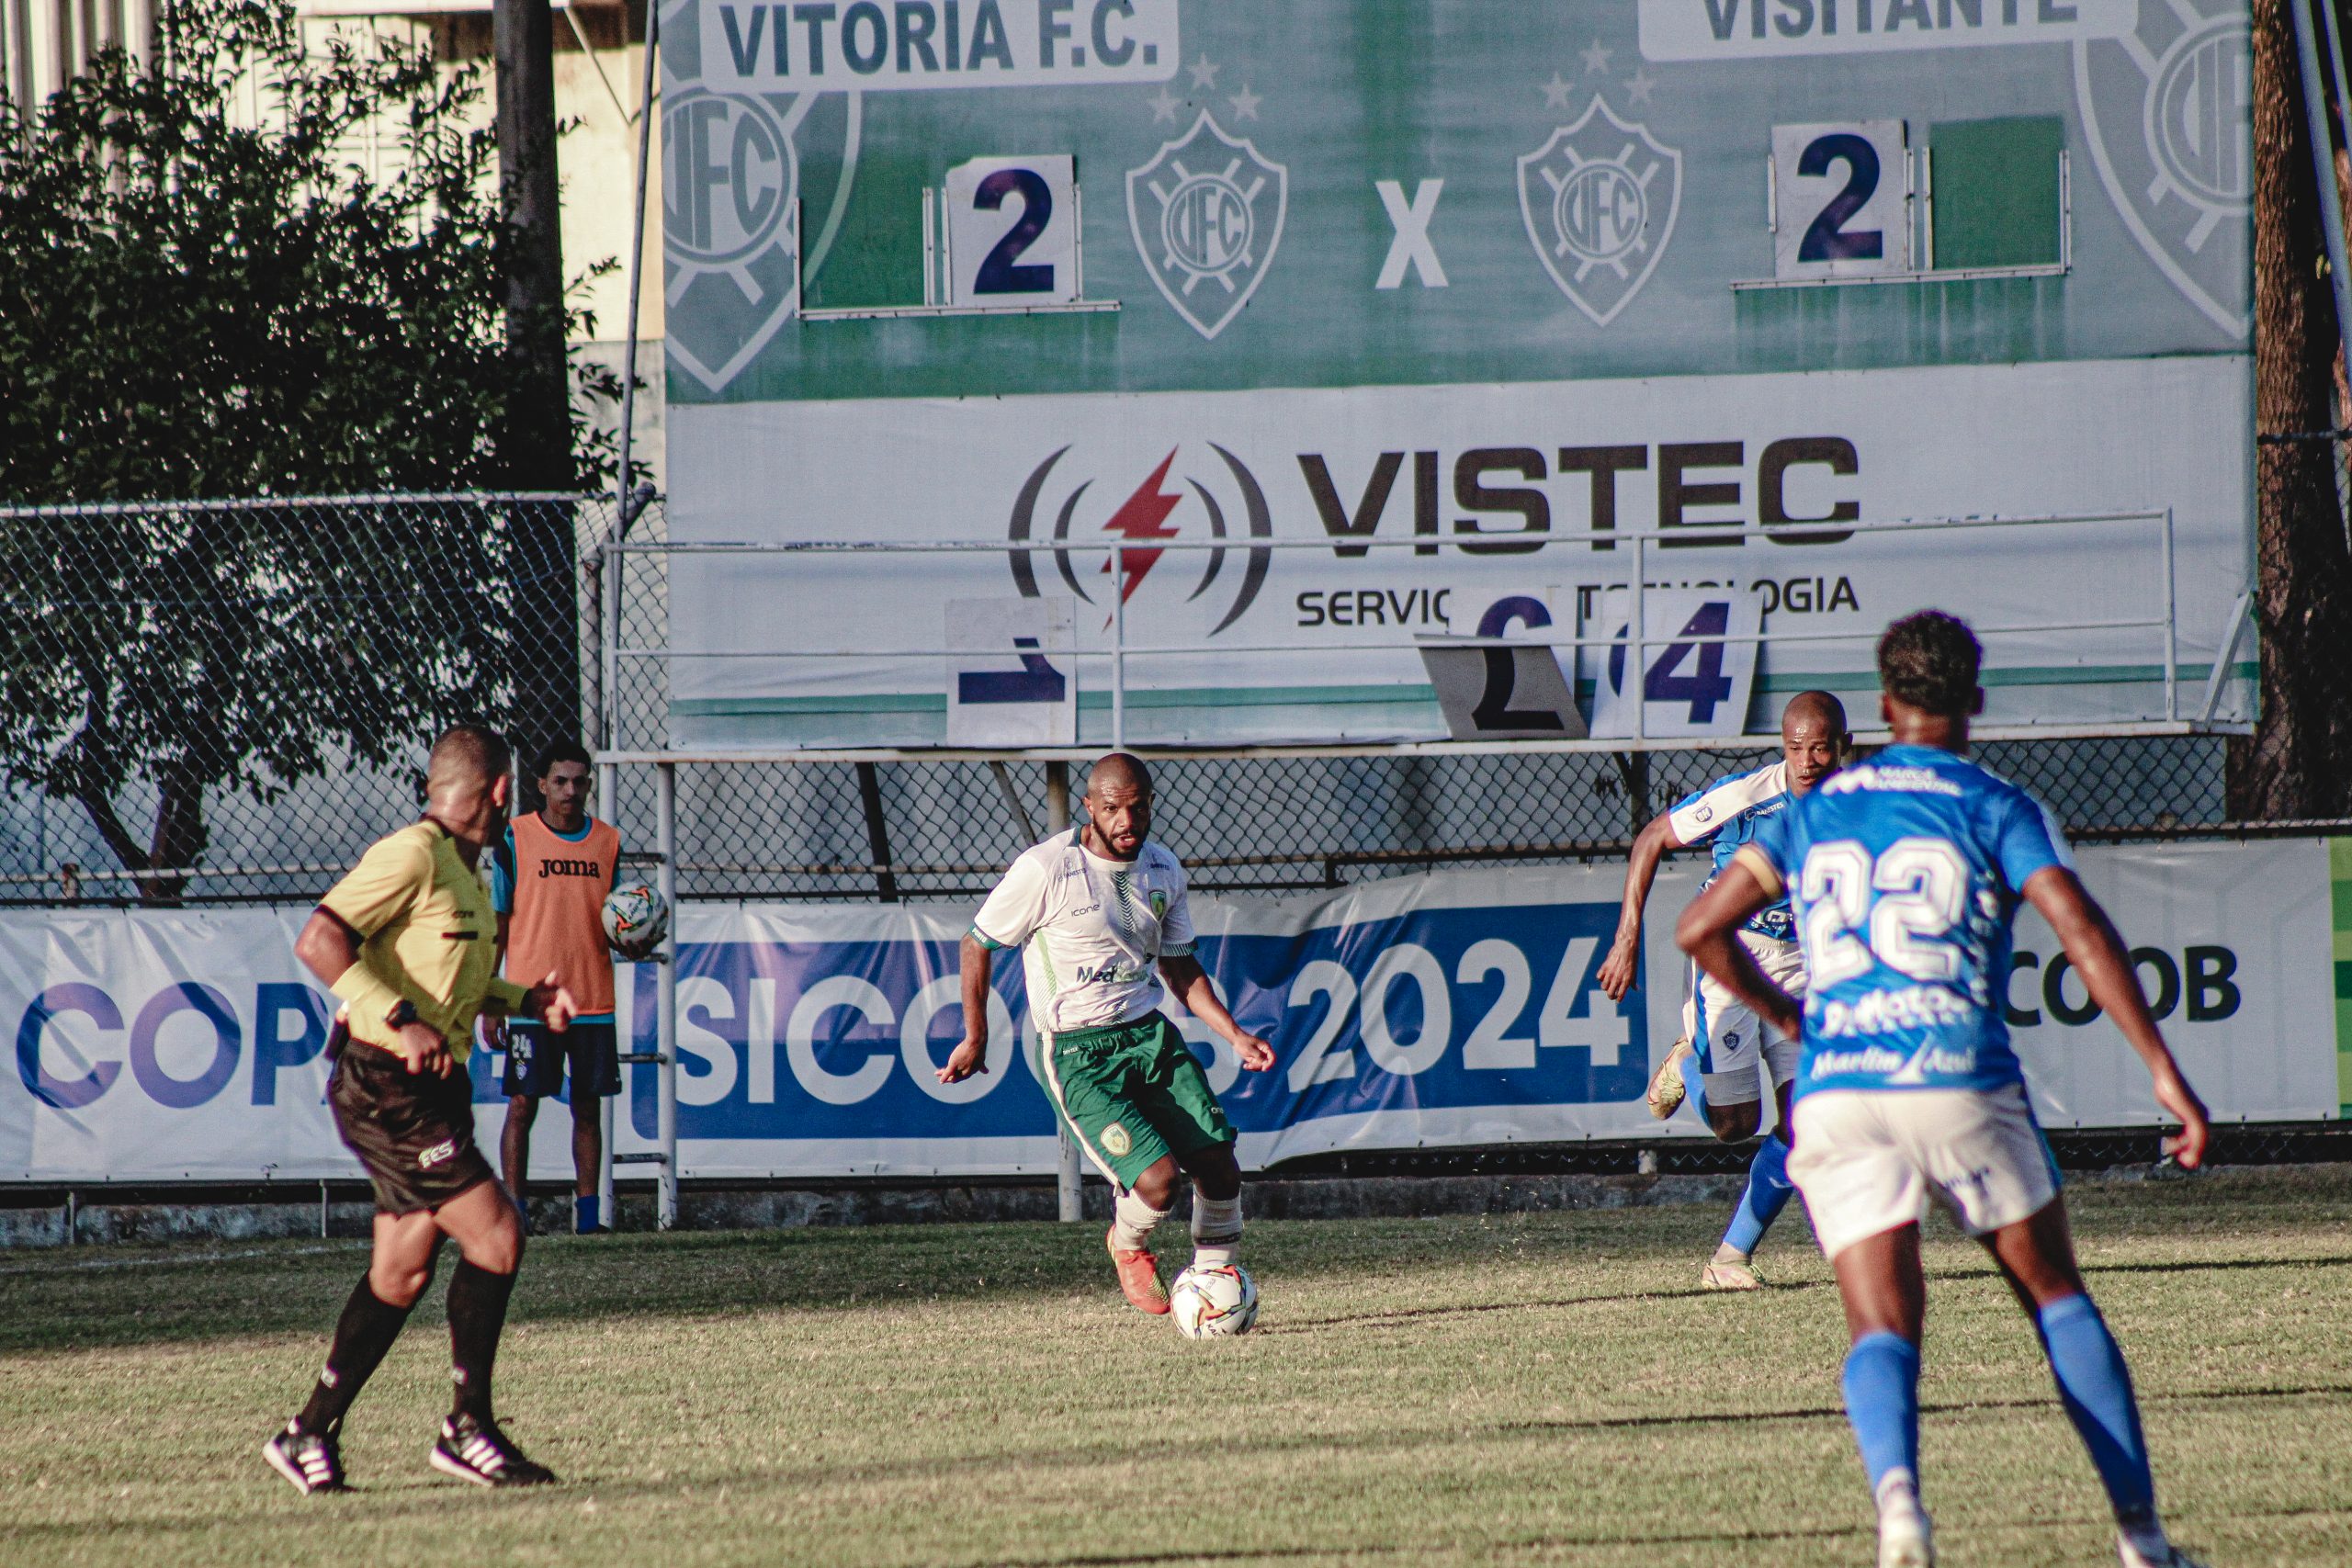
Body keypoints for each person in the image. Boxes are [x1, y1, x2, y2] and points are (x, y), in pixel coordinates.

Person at [1676, 612, 2211, 1568]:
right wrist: (2165, 1075)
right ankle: (2141, 1543)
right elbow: (2083, 934)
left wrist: (1796, 1018)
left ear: (1881, 708)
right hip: (1956, 1071)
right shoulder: (1997, 803)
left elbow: (1701, 928)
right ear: (1973, 700)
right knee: (2055, 1299)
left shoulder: (1814, 809)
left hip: (1841, 1089)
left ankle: (1900, 1518)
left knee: (1881, 1323)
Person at [264, 725, 578, 1495]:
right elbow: (320, 939)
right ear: (502, 790)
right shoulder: (410, 852)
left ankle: (306, 1432)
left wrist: (523, 997)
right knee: (498, 1234)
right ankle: (468, 1426)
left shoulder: (472, 869)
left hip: (434, 1087)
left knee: (401, 1272)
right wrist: (399, 1017)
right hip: (386, 1086)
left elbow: (454, 988)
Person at [938, 751, 1276, 1314]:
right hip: (1077, 1053)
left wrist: (1233, 1034)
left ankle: (1217, 1286)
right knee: (1160, 1184)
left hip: (1148, 1036)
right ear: (1090, 808)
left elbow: (1180, 967)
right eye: (1114, 808)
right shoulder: (1047, 868)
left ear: (1149, 807)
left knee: (1219, 1164)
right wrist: (975, 1036)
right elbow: (977, 943)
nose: (1127, 821)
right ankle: (1126, 1241)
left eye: (1138, 807)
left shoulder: (1163, 870)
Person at [1596, 691, 1848, 1290]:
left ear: (1843, 746)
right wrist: (1627, 935)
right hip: (1731, 955)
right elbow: (1654, 836)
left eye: (1819, 747)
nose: (1807, 759)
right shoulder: (1747, 797)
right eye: (1795, 748)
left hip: (1805, 968)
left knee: (1808, 1121)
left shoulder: (1859, 805)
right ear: (1782, 747)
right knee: (1736, 1125)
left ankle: (1730, 1258)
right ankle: (1689, 1058)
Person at [489, 739, 636, 1236]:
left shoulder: (608, 842)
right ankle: (515, 1211)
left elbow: (618, 919)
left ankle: (589, 1218)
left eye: (580, 781)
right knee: (522, 1104)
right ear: (541, 786)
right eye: (561, 781)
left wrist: (632, 939)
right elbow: (499, 922)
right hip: (533, 1001)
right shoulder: (515, 838)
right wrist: (492, 998)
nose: (571, 791)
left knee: (588, 1107)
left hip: (592, 999)